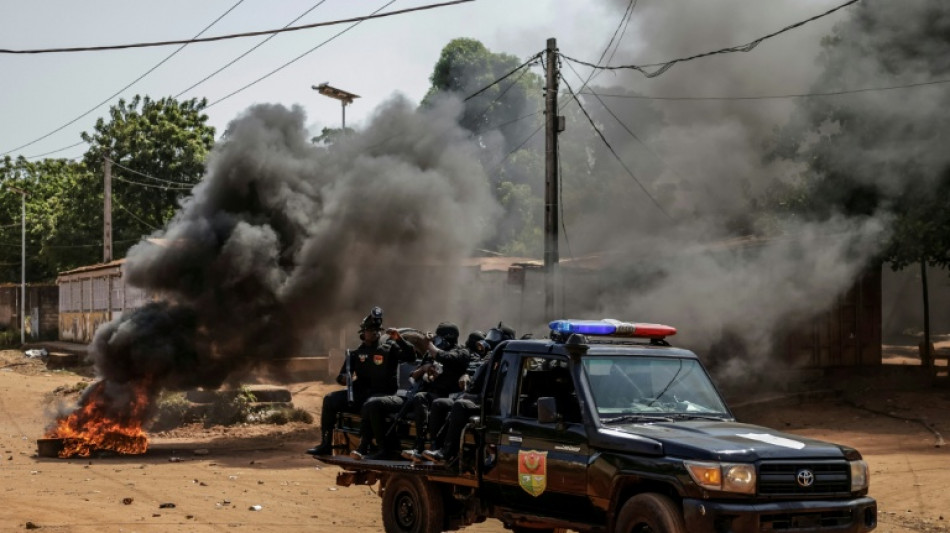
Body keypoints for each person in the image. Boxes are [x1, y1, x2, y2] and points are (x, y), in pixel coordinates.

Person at [352, 322, 471, 461]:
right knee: (380, 403)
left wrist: (429, 344)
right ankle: (399, 447)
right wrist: (424, 369)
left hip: (447, 397)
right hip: (424, 394)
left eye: (439, 337)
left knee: (426, 400)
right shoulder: (431, 354)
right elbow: (413, 377)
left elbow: (445, 357)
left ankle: (426, 447)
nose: (436, 341)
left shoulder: (461, 352)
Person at [305, 307, 414, 456]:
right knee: (330, 399)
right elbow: (342, 376)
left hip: (382, 393)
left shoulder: (389, 348)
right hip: (360, 393)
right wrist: (344, 379)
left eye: (377, 329)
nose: (374, 332)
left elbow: (411, 357)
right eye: (370, 329)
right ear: (363, 333)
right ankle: (325, 443)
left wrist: (399, 339)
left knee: (370, 404)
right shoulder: (356, 353)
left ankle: (373, 448)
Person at [423, 323, 517, 466]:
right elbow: (475, 373)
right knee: (440, 403)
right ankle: (435, 447)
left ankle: (447, 453)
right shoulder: (491, 358)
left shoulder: (507, 362)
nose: (490, 340)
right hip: (475, 397)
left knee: (461, 406)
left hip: (492, 404)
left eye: (495, 336)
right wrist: (466, 375)